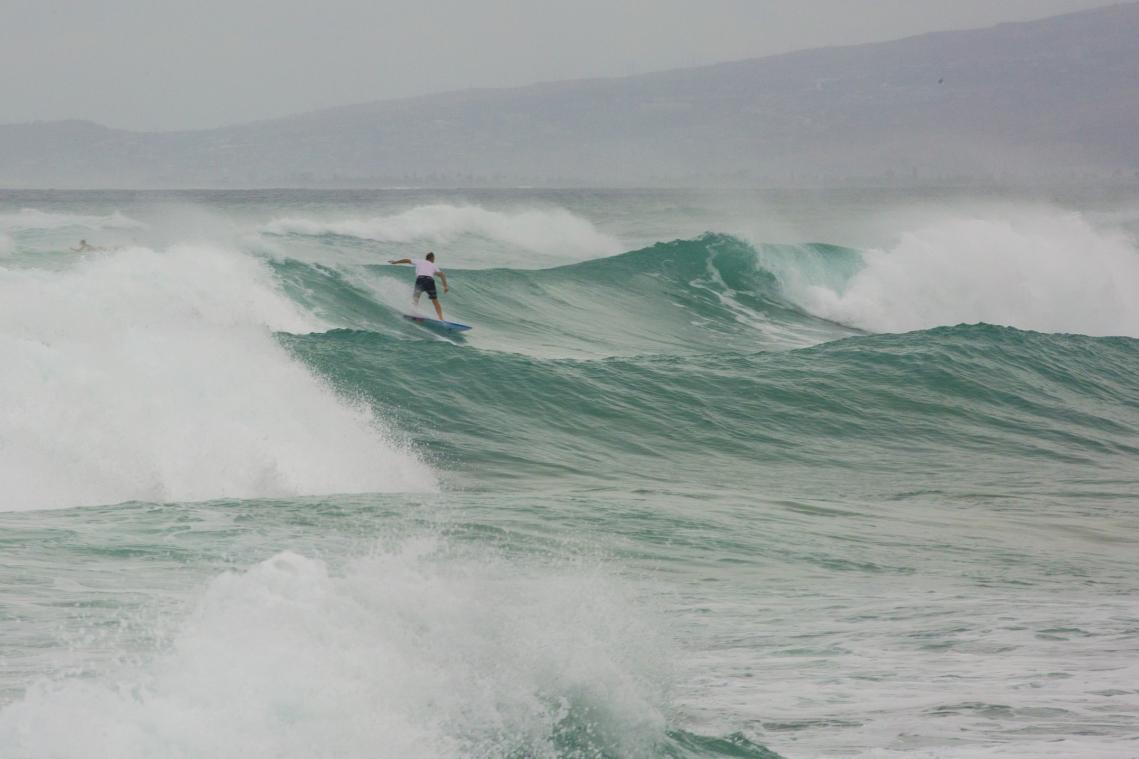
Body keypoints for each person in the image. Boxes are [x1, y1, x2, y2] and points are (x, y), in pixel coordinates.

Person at [388, 251, 450, 320]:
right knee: (435, 301)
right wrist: (445, 286)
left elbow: (407, 260)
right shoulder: (433, 265)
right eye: (434, 258)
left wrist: (395, 262)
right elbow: (441, 274)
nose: (434, 260)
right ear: (432, 258)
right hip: (430, 281)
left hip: (420, 280)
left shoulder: (419, 261)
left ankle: (413, 314)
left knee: (415, 299)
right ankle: (441, 318)